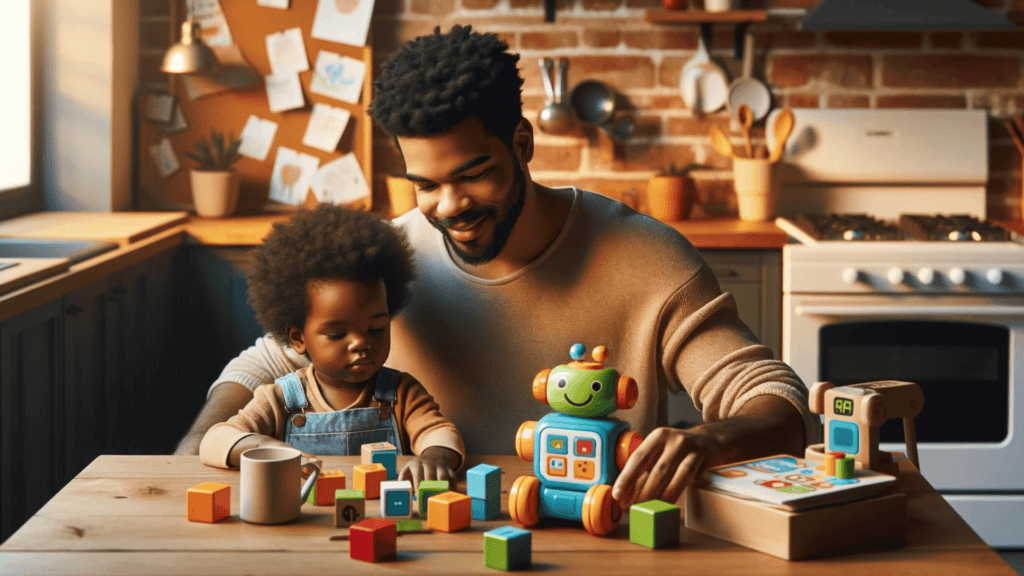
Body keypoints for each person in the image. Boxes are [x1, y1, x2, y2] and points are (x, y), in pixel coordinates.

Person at [177, 24, 818, 509]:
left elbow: (776, 399)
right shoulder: (389, 261)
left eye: (472, 175)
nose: (448, 206)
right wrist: (194, 451)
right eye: (424, 184)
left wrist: (711, 440)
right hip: (427, 540)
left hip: (588, 535)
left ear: (522, 144)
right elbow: (263, 365)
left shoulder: (647, 258)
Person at [198, 204, 464, 487]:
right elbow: (214, 440)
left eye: (376, 329)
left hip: (381, 518)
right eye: (337, 334)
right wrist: (268, 449)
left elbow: (440, 431)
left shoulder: (401, 394)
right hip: (308, 522)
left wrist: (436, 456)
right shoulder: (281, 399)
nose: (361, 342)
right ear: (298, 339)